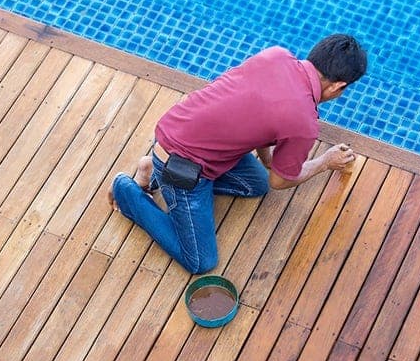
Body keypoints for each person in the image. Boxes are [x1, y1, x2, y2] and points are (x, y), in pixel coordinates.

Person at [108, 34, 367, 274]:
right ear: (338, 86)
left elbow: (257, 112)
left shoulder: (276, 56)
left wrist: (266, 159)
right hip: (183, 168)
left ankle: (152, 169)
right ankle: (127, 190)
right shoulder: (304, 122)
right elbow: (281, 182)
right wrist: (325, 162)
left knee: (256, 184)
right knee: (200, 261)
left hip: (178, 127)